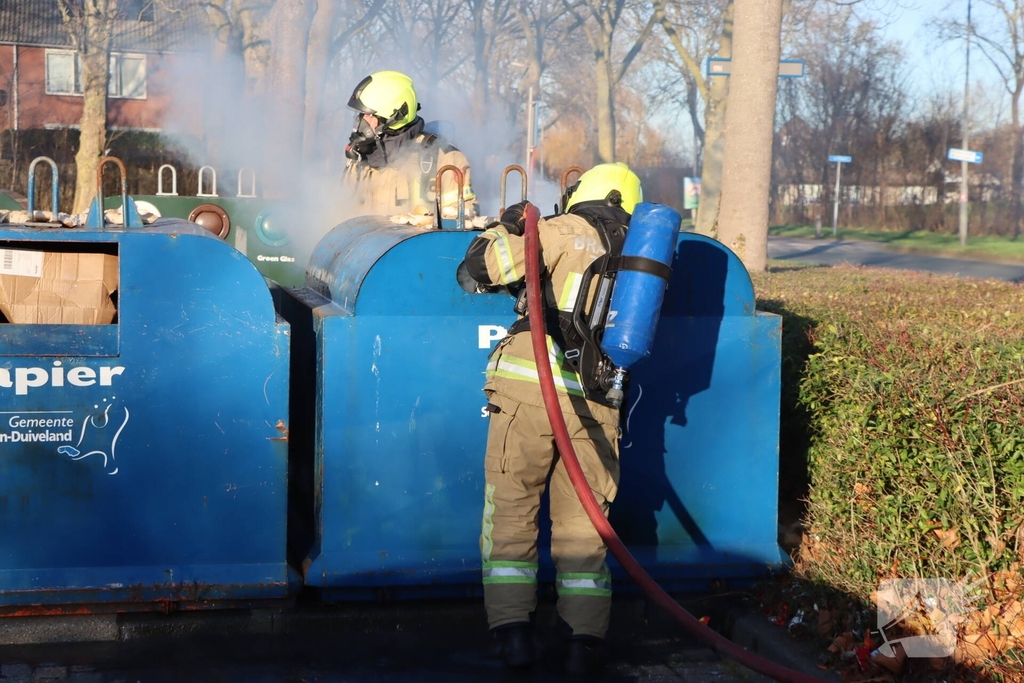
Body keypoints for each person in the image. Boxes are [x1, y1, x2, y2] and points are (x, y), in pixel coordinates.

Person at [459, 162, 643, 676]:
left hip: (529, 395)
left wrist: (510, 224)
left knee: (512, 511)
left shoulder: (564, 229)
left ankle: (514, 637)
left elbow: (483, 268)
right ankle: (582, 646)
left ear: (582, 193)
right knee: (585, 527)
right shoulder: (643, 255)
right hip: (598, 404)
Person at [343, 70, 477, 218]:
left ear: (393, 116)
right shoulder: (359, 158)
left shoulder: (445, 159)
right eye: (360, 114)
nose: (360, 120)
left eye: (368, 114)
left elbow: (464, 220)